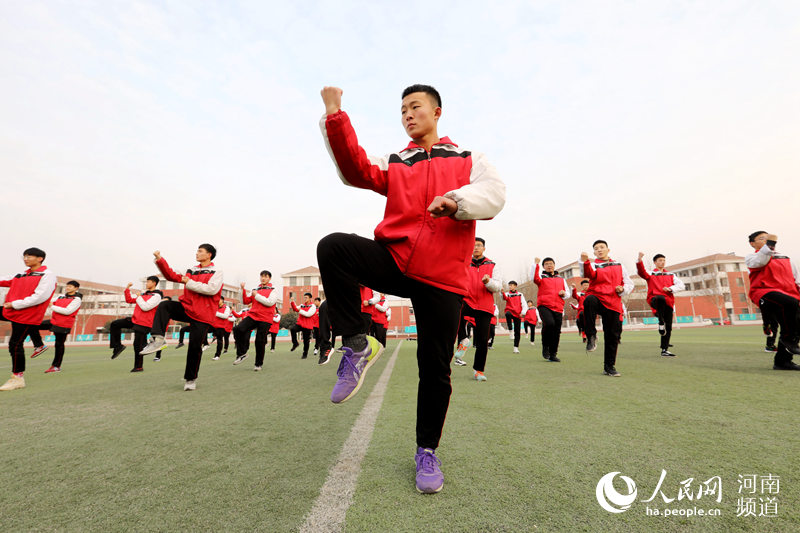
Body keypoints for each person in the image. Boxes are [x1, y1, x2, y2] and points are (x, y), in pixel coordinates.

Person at [317, 83, 505, 493]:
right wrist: (335, 114)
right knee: (334, 248)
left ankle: (427, 452)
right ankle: (356, 343)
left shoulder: (468, 159)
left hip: (442, 276)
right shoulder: (397, 160)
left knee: (433, 369)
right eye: (402, 109)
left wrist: (455, 201)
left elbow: (494, 194)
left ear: (437, 112)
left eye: (415, 106)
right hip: (397, 260)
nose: (407, 114)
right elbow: (356, 170)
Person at [140, 245, 223, 390]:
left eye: (200, 251)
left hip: (203, 314)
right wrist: (160, 260)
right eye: (197, 250)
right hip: (187, 308)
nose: (197, 253)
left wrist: (188, 282)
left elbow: (211, 289)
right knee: (165, 305)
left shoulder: (217, 271)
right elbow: (171, 275)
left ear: (209, 255)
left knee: (194, 347)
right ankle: (158, 339)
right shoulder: (190, 270)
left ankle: (190, 379)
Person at [0, 247, 57, 391]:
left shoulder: (47, 275)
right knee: (15, 344)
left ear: (40, 258)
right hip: (12, 310)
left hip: (27, 315)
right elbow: (4, 280)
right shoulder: (21, 274)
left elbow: (40, 296)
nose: (25, 258)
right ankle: (38, 346)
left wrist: (15, 304)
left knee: (15, 344)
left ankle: (18, 378)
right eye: (24, 256)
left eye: (29, 256)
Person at [745, 231, 800, 370]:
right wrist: (770, 245)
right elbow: (761, 260)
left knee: (796, 322)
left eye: (767, 238)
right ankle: (788, 340)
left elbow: (796, 278)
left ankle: (782, 361)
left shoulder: (785, 257)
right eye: (762, 238)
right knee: (790, 305)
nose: (765, 240)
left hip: (789, 293)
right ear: (752, 243)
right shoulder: (752, 257)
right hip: (765, 292)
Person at [580, 240, 633, 377]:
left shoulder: (619, 265)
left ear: (608, 250)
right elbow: (587, 274)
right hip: (597, 298)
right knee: (589, 300)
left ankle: (609, 367)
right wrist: (584, 262)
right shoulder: (593, 265)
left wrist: (623, 289)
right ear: (594, 252)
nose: (599, 250)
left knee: (612, 336)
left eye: (602, 247)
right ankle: (591, 335)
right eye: (596, 248)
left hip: (613, 302)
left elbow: (629, 283)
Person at [454, 238, 502, 379]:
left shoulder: (493, 265)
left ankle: (478, 371)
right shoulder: (464, 263)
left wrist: (488, 282)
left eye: (479, 245)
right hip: (467, 300)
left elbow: (498, 286)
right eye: (473, 245)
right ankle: (463, 340)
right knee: (454, 315)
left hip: (484, 304)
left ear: (484, 248)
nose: (476, 248)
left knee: (482, 340)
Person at [636, 252, 686, 357]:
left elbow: (681, 286)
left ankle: (664, 350)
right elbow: (641, 272)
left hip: (668, 303)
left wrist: (670, 288)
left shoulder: (671, 275)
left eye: (664, 260)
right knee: (660, 297)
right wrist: (639, 260)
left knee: (669, 327)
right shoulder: (651, 274)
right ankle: (660, 321)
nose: (662, 262)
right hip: (655, 300)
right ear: (655, 262)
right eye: (660, 260)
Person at [26, 280, 81, 373]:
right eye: (67, 286)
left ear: (76, 288)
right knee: (31, 324)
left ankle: (56, 366)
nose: (68, 288)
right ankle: (39, 345)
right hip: (53, 321)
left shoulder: (77, 300)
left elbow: (67, 311)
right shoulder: (61, 296)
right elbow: (48, 301)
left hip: (64, 324)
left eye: (70, 286)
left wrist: (52, 306)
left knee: (59, 345)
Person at [109, 277, 163, 372]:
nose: (146, 283)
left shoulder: (157, 296)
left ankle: (138, 367)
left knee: (137, 345)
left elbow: (145, 307)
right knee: (115, 324)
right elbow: (129, 300)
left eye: (148, 282)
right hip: (135, 320)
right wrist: (127, 289)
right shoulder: (144, 294)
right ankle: (118, 346)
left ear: (154, 283)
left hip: (144, 323)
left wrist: (139, 297)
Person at [233, 270, 278, 370]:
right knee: (238, 329)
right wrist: (242, 290)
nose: (263, 278)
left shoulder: (273, 290)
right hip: (253, 316)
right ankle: (242, 353)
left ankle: (258, 364)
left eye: (266, 276)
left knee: (259, 341)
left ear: (269, 278)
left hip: (265, 318)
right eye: (262, 276)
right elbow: (244, 301)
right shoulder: (255, 289)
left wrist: (256, 295)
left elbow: (270, 302)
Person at [533, 257, 569, 362]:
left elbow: (567, 293)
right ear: (543, 267)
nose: (549, 265)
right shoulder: (541, 277)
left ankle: (553, 354)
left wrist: (564, 294)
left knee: (556, 331)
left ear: (554, 265)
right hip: (544, 305)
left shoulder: (561, 279)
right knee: (549, 324)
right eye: (547, 264)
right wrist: (536, 265)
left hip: (558, 307)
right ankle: (545, 347)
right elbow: (534, 278)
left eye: (551, 263)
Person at [502, 281, 528, 353]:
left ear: (515, 286)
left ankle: (516, 348)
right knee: (507, 314)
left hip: (518, 314)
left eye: (512, 285)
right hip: (510, 311)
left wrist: (523, 312)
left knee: (517, 332)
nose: (510, 286)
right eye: (509, 285)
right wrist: (501, 292)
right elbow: (503, 298)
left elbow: (524, 304)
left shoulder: (520, 294)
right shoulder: (507, 294)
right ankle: (510, 330)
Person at [290, 293, 317, 359]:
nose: (305, 299)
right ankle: (295, 343)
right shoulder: (302, 305)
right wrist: (292, 302)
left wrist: (299, 310)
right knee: (293, 329)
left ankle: (305, 354)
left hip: (307, 325)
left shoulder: (313, 306)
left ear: (310, 298)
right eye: (304, 297)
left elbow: (308, 314)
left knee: (306, 341)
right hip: (300, 324)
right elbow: (295, 309)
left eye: (306, 297)